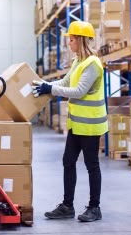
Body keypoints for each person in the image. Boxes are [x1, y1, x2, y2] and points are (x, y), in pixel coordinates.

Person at [32, 20, 106, 223]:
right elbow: (64, 83)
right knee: (68, 161)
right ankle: (67, 206)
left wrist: (51, 90)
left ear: (80, 40)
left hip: (90, 124)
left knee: (92, 165)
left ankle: (94, 207)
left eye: (71, 40)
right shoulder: (78, 62)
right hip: (76, 123)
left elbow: (79, 91)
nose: (68, 43)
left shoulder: (93, 64)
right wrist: (44, 85)